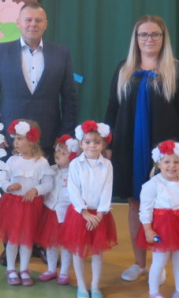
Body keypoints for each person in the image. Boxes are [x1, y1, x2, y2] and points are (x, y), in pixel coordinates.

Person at [104, 15, 179, 281]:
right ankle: (139, 263)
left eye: (155, 34)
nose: (149, 39)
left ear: (163, 38)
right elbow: (112, 109)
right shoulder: (123, 69)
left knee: (163, 206)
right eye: (143, 34)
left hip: (163, 150)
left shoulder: (175, 70)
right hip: (128, 146)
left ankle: (159, 263)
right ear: (136, 38)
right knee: (135, 203)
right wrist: (107, 143)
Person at [0, 1, 78, 158]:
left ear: (46, 24)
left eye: (38, 20)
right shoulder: (0, 52)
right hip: (9, 140)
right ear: (18, 23)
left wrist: (65, 135)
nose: (33, 24)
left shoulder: (62, 54)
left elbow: (70, 99)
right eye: (28, 20)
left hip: (49, 141)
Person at [0, 119, 54, 287]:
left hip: (31, 207)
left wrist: (36, 190)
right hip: (13, 205)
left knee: (27, 240)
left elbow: (48, 184)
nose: (15, 142)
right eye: (15, 138)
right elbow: (3, 179)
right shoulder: (12, 161)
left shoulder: (41, 163)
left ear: (32, 140)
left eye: (20, 138)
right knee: (13, 239)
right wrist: (8, 187)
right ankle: (11, 268)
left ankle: (24, 269)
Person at [60, 120, 117, 298]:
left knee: (97, 252)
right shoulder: (75, 164)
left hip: (99, 215)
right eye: (88, 142)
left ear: (103, 144)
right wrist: (84, 212)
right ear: (81, 143)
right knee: (78, 251)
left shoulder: (107, 165)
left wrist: (100, 213)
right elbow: (73, 189)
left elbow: (107, 188)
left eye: (97, 142)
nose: (92, 145)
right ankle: (82, 286)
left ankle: (95, 286)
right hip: (80, 214)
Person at [136, 141, 179, 298]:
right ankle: (153, 292)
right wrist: (148, 229)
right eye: (167, 162)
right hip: (162, 228)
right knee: (159, 261)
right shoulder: (153, 184)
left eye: (176, 162)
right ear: (159, 164)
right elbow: (145, 209)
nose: (172, 165)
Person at [37, 134, 80, 285]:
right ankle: (51, 269)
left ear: (72, 157)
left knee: (66, 245)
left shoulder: (75, 173)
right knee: (50, 243)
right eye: (58, 151)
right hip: (50, 211)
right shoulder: (51, 170)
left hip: (65, 214)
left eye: (63, 153)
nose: (58, 154)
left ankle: (64, 272)